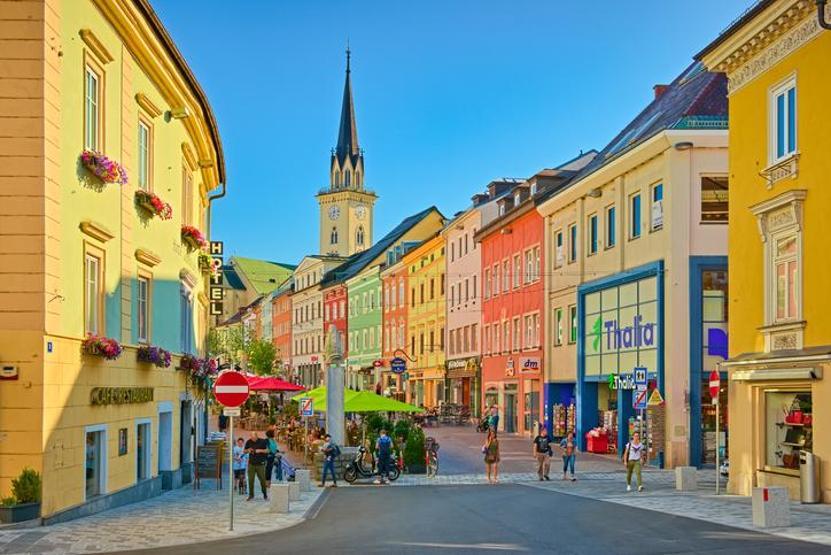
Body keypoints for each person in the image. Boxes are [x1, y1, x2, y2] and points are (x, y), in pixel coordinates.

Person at [244, 431, 269, 500]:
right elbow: (244, 451)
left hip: (260, 464)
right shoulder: (249, 442)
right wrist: (248, 450)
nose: (253, 439)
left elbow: (268, 450)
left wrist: (260, 450)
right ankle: (251, 495)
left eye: (254, 438)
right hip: (251, 464)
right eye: (251, 438)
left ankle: (265, 494)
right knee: (250, 480)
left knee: (262, 480)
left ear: (257, 436)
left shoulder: (263, 441)